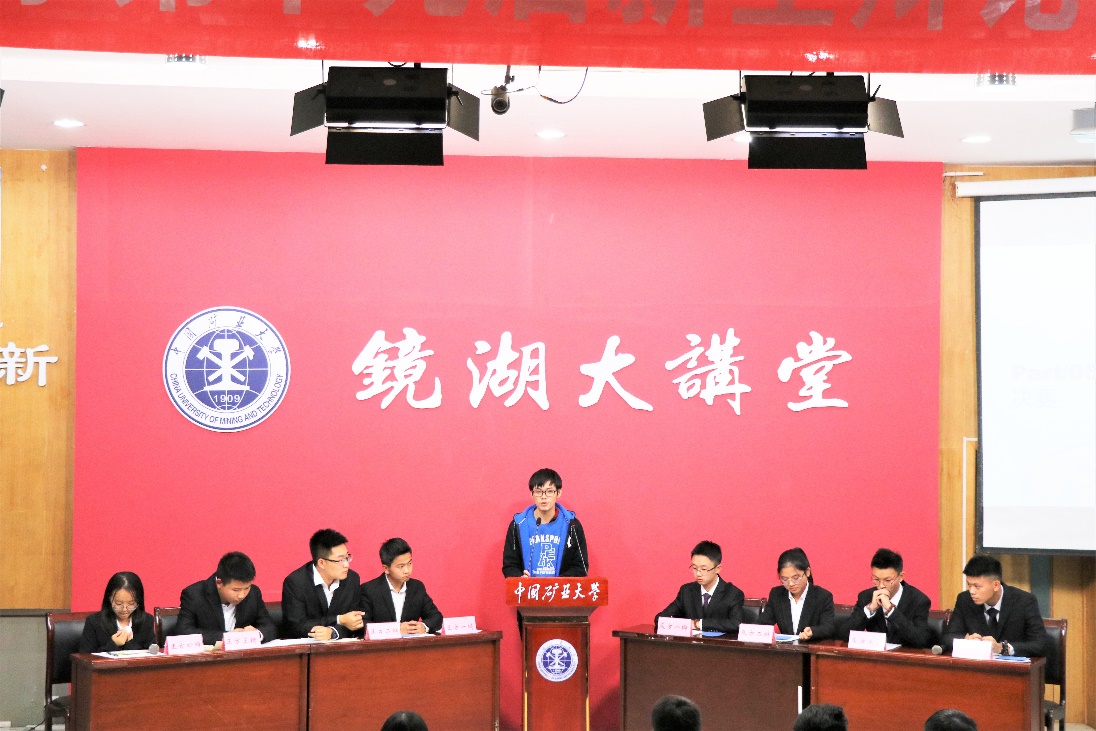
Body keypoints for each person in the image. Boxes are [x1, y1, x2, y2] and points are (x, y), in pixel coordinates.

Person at [943, 554, 1047, 657]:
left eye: (977, 586)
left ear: (996, 585)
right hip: (977, 665)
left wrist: (1002, 648)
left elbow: (1040, 645)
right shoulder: (964, 600)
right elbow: (948, 638)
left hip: (1012, 666)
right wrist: (966, 641)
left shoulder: (1024, 601)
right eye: (969, 585)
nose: (972, 591)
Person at [502, 468, 589, 578]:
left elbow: (581, 567)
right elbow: (509, 565)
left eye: (549, 491)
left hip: (560, 588)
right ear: (532, 494)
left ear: (558, 493)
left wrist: (558, 583)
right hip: (528, 588)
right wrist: (519, 578)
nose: (544, 497)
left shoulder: (572, 525)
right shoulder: (518, 525)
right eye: (538, 492)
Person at [176, 551, 278, 644]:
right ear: (219, 583)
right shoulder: (194, 594)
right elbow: (183, 632)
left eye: (247, 588)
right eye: (236, 590)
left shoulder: (253, 593)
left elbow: (270, 627)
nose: (242, 595)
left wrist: (257, 634)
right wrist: (228, 637)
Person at [282, 528, 364, 640]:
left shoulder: (352, 579)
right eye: (340, 560)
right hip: (306, 646)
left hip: (340, 646)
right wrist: (339, 619)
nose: (346, 565)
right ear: (321, 563)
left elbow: (354, 622)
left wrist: (333, 632)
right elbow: (296, 626)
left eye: (347, 557)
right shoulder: (296, 582)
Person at [841, 548, 932, 648]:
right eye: (876, 579)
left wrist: (891, 610)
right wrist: (870, 609)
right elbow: (844, 635)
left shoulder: (918, 600)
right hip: (874, 655)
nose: (881, 585)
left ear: (901, 577)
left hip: (903, 655)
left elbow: (920, 640)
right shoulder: (866, 596)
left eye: (887, 580)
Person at [655, 540, 744, 634]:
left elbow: (736, 624)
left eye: (703, 569)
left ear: (718, 569)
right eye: (694, 568)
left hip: (719, 643)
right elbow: (660, 619)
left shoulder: (732, 594)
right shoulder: (687, 591)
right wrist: (680, 624)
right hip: (690, 643)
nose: (698, 573)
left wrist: (698, 624)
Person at [360, 537, 443, 635]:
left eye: (409, 563)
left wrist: (424, 626)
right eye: (401, 566)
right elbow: (363, 625)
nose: (407, 570)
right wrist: (396, 629)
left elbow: (436, 617)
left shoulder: (417, 587)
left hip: (411, 644)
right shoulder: (369, 590)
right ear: (386, 568)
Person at [757, 547, 835, 641]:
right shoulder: (777, 595)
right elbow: (762, 623)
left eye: (795, 578)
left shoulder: (823, 597)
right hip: (786, 649)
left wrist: (813, 632)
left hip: (810, 648)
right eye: (784, 579)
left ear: (807, 572)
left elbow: (828, 628)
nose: (790, 584)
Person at [79, 571, 157, 653]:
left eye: (131, 604)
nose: (124, 609)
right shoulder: (94, 622)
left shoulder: (147, 620)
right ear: (109, 598)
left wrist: (129, 642)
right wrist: (113, 644)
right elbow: (85, 657)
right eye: (118, 604)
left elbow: (151, 654)